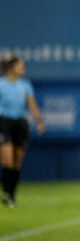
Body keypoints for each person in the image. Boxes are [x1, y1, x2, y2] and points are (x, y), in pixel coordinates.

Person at [0, 56, 45, 207]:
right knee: (7, 160)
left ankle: (11, 194)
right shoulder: (1, 85)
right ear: (12, 67)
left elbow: (31, 104)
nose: (23, 68)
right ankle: (6, 191)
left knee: (17, 161)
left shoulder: (25, 85)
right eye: (20, 66)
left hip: (20, 124)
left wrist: (39, 121)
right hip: (4, 123)